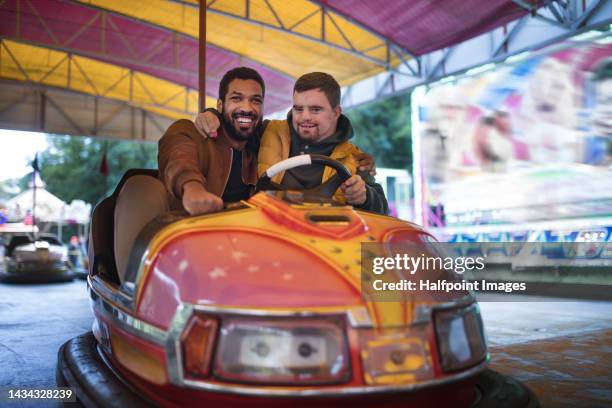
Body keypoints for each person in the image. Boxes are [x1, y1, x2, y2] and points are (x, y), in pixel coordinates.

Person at [113, 67, 265, 282]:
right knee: (140, 187)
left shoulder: (263, 145)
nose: (247, 108)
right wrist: (192, 188)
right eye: (237, 98)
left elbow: (296, 122)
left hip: (245, 256)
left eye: (256, 101)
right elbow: (178, 155)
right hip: (187, 256)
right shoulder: (193, 133)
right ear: (221, 105)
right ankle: (137, 284)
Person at [196, 72, 388, 214]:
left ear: (336, 112)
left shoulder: (356, 160)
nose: (304, 117)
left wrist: (365, 197)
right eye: (298, 108)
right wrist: (213, 115)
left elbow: (382, 210)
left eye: (315, 110)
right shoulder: (268, 132)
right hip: (268, 236)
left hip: (324, 245)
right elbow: (236, 127)